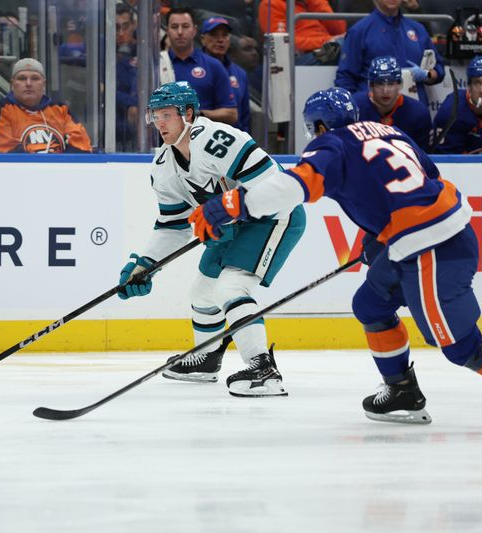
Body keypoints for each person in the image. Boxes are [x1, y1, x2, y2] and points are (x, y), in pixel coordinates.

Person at [189, 87, 482, 428]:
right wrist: (380, 235)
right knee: (370, 303)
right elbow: (427, 178)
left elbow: (290, 189)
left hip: (431, 248)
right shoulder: (390, 132)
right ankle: (402, 391)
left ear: (317, 125)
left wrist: (229, 204)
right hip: (426, 235)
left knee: (460, 347)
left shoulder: (332, 146)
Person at [119, 81, 305, 397]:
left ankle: (263, 368)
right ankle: (206, 358)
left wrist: (229, 211)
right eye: (155, 116)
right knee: (203, 293)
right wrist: (146, 263)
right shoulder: (163, 167)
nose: (159, 123)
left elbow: (276, 188)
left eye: (166, 114)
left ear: (188, 113)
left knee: (230, 287)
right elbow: (173, 225)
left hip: (274, 217)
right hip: (230, 226)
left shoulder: (220, 139)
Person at [335, 0, 445, 108]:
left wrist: (427, 75)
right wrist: (355, 110)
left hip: (413, 111)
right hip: (374, 114)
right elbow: (345, 78)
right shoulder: (359, 31)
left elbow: (439, 69)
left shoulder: (418, 29)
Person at [0, 58, 92, 153]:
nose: (28, 83)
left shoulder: (60, 110)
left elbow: (82, 146)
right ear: (12, 84)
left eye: (35, 78)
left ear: (43, 84)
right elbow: (3, 150)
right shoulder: (0, 111)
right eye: (22, 78)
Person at [161, 7, 237, 125]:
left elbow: (231, 114)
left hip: (204, 140)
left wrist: (198, 115)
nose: (180, 32)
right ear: (167, 30)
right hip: (162, 141)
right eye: (175, 27)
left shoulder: (213, 66)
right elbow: (134, 112)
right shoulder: (156, 66)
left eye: (185, 26)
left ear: (194, 30)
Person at [353, 55, 431, 151]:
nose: (385, 90)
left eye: (390, 84)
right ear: (370, 85)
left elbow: (422, 157)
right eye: (380, 83)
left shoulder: (418, 114)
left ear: (400, 85)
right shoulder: (354, 108)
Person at [200, 16, 250, 133]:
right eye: (213, 35)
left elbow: (245, 118)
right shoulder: (193, 69)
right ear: (203, 39)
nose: (220, 40)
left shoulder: (240, 74)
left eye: (225, 35)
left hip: (233, 142)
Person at [258, 0, 346, 65]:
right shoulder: (271, 4)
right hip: (298, 58)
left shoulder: (312, 3)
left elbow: (339, 29)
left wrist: (316, 2)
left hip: (326, 49)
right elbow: (281, 42)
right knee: (341, 45)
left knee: (350, 42)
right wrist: (327, 40)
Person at [115, 4, 138, 151]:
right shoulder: (101, 50)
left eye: (126, 26)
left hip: (136, 134)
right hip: (107, 128)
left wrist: (108, 91)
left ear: (134, 25)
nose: (121, 33)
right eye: (117, 27)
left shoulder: (145, 52)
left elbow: (138, 101)